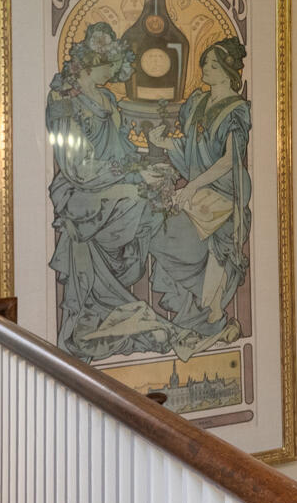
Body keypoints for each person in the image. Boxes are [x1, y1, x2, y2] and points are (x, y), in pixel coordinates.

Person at [45, 24, 164, 355]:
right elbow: (78, 168)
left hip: (110, 182)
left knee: (150, 202)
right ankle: (98, 311)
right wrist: (134, 179)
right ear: (93, 63)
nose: (116, 73)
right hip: (79, 191)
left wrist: (143, 167)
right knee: (137, 198)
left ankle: (113, 308)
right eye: (112, 67)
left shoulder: (108, 97)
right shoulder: (64, 101)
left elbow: (121, 151)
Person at [146, 36, 254, 350]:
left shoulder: (236, 111)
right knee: (162, 235)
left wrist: (193, 186)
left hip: (225, 191)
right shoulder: (198, 102)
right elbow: (192, 150)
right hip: (200, 187)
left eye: (213, 64)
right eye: (205, 62)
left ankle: (211, 312)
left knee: (204, 250)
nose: (205, 68)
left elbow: (228, 161)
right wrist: (166, 143)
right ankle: (198, 313)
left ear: (228, 71)